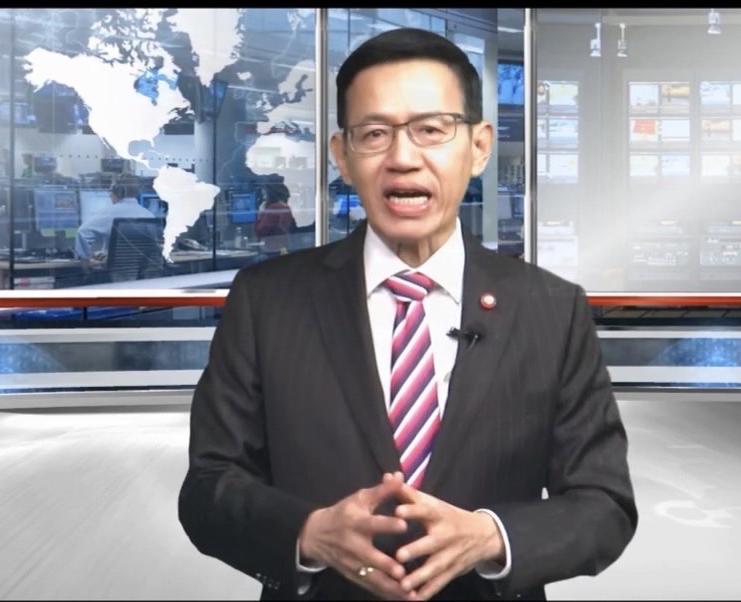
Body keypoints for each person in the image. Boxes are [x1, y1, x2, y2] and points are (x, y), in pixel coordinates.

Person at [178, 27, 636, 601]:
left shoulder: (553, 309)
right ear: (342, 156)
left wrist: (491, 536)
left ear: (479, 147)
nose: (402, 157)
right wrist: (308, 533)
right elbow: (208, 487)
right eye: (374, 134)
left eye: (431, 130)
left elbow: (603, 504)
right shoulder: (265, 301)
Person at [73, 175, 155, 265]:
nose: (110, 195)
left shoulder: (110, 212)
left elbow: (83, 232)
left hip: (117, 271)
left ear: (118, 191)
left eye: (111, 191)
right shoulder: (149, 215)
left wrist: (86, 261)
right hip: (140, 271)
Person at [253, 178, 297, 256]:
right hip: (280, 247)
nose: (263, 196)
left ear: (270, 194)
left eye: (264, 193)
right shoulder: (285, 207)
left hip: (272, 249)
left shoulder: (274, 208)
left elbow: (261, 231)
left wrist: (261, 213)